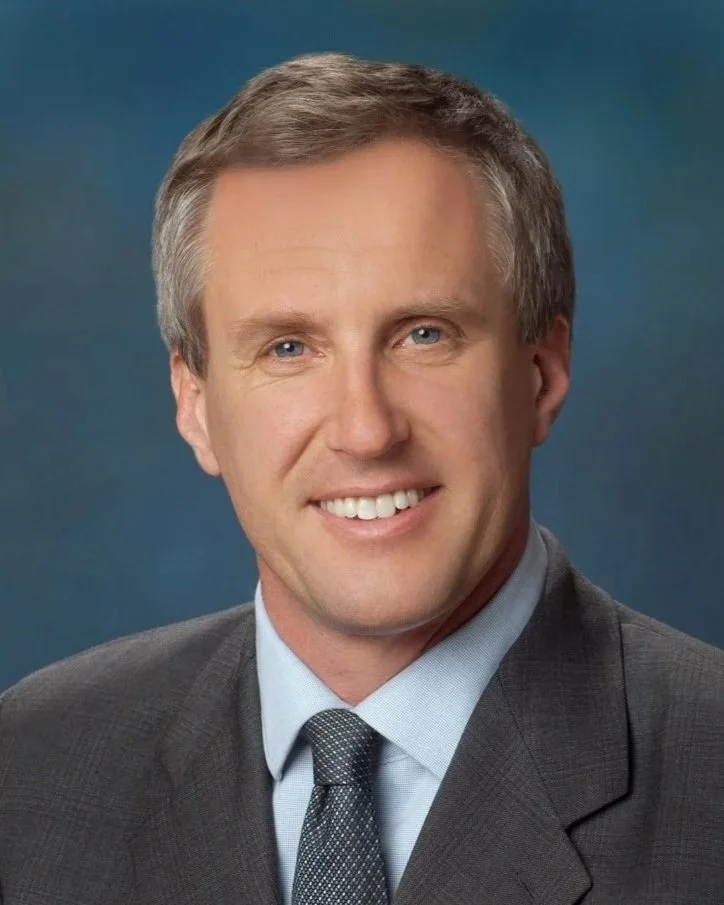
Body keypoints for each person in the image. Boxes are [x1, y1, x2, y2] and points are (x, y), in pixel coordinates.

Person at [1, 51, 722, 905]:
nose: (366, 429)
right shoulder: (31, 771)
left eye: (424, 334)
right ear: (195, 404)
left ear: (542, 372)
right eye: (288, 348)